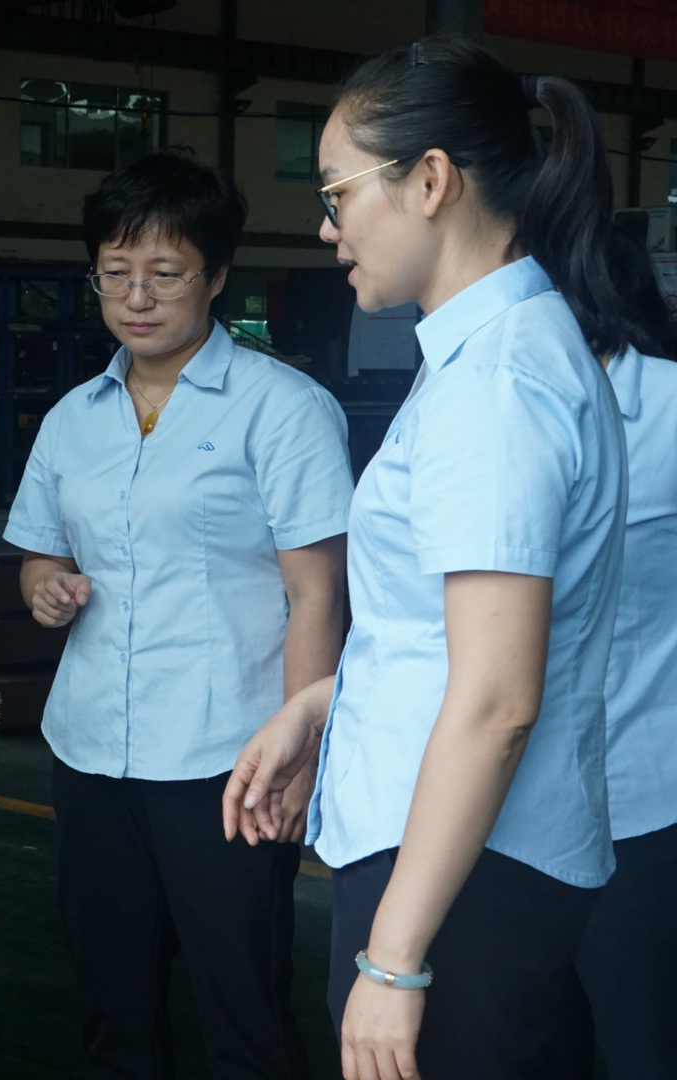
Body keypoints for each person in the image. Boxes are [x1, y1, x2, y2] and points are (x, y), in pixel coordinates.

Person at [224, 37, 631, 1080]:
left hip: (461, 879)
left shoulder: (494, 387)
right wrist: (321, 705)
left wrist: (394, 961)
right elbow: (459, 640)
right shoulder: (493, 354)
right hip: (465, 860)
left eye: (338, 193)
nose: (327, 227)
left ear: (431, 180)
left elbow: (496, 701)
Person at [4, 150, 354, 1080]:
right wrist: (45, 586)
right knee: (111, 1004)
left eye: (165, 273)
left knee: (243, 1008)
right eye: (114, 273)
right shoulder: (72, 418)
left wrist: (298, 753)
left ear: (217, 275)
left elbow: (317, 592)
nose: (137, 298)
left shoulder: (283, 410)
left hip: (225, 760)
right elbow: (42, 551)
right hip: (92, 752)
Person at [574, 233, 677, 1079]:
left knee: (637, 1037)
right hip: (502, 801)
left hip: (639, 793)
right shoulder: (474, 398)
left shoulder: (671, 408)